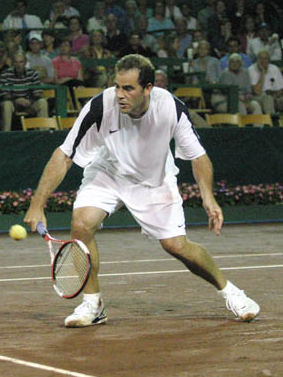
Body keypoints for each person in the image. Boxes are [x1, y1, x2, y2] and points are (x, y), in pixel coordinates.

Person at [24, 53, 260, 327]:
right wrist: (37, 203)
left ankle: (231, 292)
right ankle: (92, 304)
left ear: (148, 88)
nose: (120, 94)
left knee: (176, 246)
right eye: (116, 86)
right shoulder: (100, 107)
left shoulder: (171, 108)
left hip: (153, 181)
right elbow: (64, 155)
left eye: (128, 88)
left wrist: (208, 196)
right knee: (81, 224)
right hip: (108, 173)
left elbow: (198, 157)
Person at [0, 52, 48, 131]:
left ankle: (44, 132)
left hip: (30, 102)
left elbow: (38, 93)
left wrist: (29, 102)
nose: (19, 65)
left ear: (25, 63)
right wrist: (17, 101)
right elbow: (5, 94)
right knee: (6, 105)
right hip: (13, 103)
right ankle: (6, 134)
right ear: (12, 63)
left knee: (42, 102)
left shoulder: (33, 73)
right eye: (16, 62)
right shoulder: (5, 74)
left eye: (21, 62)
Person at [248, 50, 283, 116]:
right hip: (258, 97)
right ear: (257, 59)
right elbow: (257, 92)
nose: (263, 61)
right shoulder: (251, 70)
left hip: (275, 96)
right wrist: (262, 73)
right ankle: (272, 122)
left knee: (271, 98)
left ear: (269, 60)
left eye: (265, 58)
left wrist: (276, 94)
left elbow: (281, 88)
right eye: (260, 58)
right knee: (268, 98)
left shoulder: (274, 68)